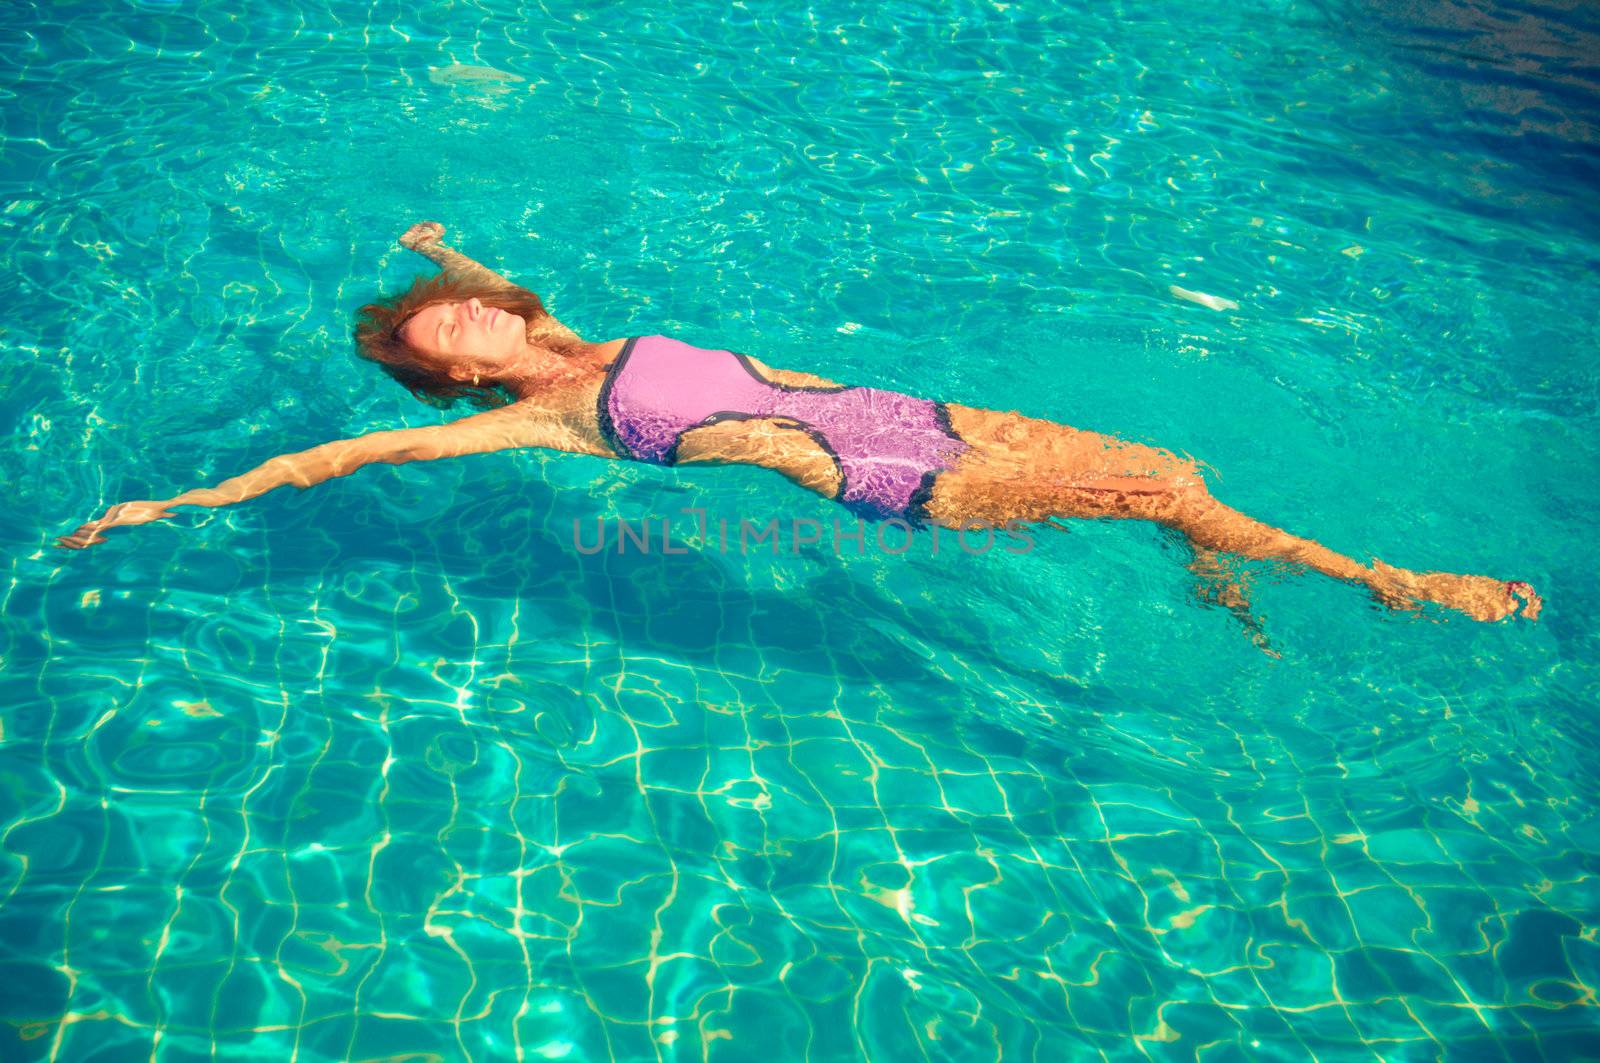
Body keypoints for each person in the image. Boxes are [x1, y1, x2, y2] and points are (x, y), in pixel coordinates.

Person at [56, 221, 1542, 627]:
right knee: (1161, 485)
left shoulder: (578, 333)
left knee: (1166, 476)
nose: (481, 317)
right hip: (880, 469)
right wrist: (169, 508)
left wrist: (437, 259)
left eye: (475, 303)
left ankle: (1222, 567)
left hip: (915, 407)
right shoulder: (538, 425)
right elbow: (339, 453)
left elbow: (502, 287)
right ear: (458, 379)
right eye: (457, 331)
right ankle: (1385, 583)